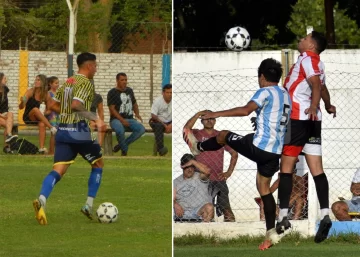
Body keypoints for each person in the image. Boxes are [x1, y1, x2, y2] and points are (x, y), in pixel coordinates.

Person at [183, 58, 291, 250]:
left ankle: (197, 148)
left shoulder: (265, 91)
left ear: (262, 76)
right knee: (264, 188)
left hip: (259, 147)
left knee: (223, 135)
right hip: (275, 153)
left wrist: (216, 113)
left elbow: (245, 110)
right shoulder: (285, 94)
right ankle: (270, 234)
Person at [276, 31, 336, 244]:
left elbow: (316, 85)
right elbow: (322, 86)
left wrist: (312, 105)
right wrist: (326, 105)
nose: (300, 39)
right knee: (317, 169)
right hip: (313, 121)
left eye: (304, 37)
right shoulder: (317, 62)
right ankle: (326, 213)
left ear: (311, 44)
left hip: (298, 118)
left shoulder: (308, 59)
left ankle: (282, 216)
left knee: (286, 167)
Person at [32, 52, 106, 225]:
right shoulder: (86, 83)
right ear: (89, 66)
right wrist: (95, 118)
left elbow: (52, 105)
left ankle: (41, 200)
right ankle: (88, 205)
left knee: (59, 170)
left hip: (63, 131)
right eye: (95, 66)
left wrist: (66, 113)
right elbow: (75, 105)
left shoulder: (68, 81)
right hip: (79, 130)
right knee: (98, 164)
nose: (96, 69)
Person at [184, 110, 238, 222]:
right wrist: (197, 114)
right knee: (207, 214)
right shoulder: (197, 133)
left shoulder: (221, 136)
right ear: (202, 121)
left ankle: (230, 232)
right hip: (202, 179)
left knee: (228, 213)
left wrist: (229, 172)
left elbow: (234, 153)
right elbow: (186, 129)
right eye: (206, 118)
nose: (209, 121)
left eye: (212, 118)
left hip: (219, 179)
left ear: (215, 120)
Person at [107, 72, 145, 156]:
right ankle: (124, 151)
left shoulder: (129, 90)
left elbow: (134, 103)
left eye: (125, 80)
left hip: (129, 119)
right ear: (117, 81)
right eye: (122, 80)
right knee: (120, 131)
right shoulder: (112, 92)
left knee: (141, 129)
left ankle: (121, 145)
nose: (124, 82)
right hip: (116, 120)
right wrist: (122, 120)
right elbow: (112, 109)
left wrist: (137, 114)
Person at [19, 74, 58, 154]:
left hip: (40, 118)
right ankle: (51, 127)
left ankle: (41, 148)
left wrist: (44, 113)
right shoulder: (30, 92)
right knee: (35, 109)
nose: (36, 81)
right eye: (36, 80)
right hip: (29, 117)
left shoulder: (46, 94)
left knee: (42, 124)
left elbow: (50, 109)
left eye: (38, 80)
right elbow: (21, 107)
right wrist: (22, 101)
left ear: (43, 82)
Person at [173, 153, 214, 222]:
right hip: (183, 213)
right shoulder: (176, 181)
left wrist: (193, 162)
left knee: (209, 207)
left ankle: (205, 230)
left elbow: (208, 171)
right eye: (187, 167)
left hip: (200, 211)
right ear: (182, 166)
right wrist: (175, 204)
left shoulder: (200, 176)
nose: (190, 170)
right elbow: (172, 198)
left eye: (192, 167)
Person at [149, 83, 172, 156]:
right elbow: (153, 115)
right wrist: (165, 125)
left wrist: (171, 125)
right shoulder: (158, 101)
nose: (169, 94)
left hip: (171, 122)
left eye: (171, 92)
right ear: (163, 93)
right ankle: (161, 149)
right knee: (158, 126)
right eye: (167, 92)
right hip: (158, 121)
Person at [0, 72, 18, 145]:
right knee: (9, 125)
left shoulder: (5, 89)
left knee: (10, 114)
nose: (6, 80)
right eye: (4, 79)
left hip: (4, 113)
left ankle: (9, 135)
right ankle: (7, 147)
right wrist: (2, 116)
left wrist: (5, 115)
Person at [45, 76, 60, 155]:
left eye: (58, 83)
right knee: (54, 133)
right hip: (52, 115)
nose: (57, 85)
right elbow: (49, 106)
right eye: (56, 83)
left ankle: (57, 150)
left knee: (59, 132)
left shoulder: (58, 93)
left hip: (59, 114)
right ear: (50, 84)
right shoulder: (49, 94)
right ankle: (51, 151)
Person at [89, 80, 105, 147]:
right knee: (91, 126)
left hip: (93, 118)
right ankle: (89, 147)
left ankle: (99, 148)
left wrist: (100, 121)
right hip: (83, 118)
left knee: (102, 126)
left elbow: (100, 111)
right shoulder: (81, 96)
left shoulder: (97, 97)